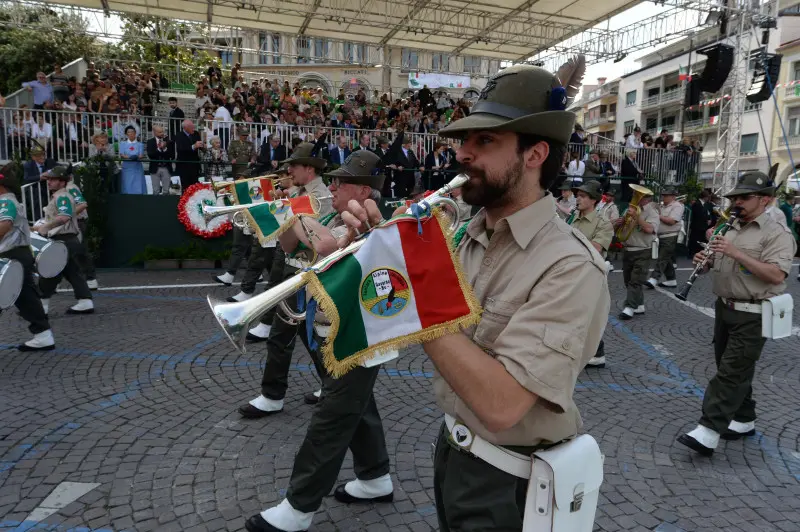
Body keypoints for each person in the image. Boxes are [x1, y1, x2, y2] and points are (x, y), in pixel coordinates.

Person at [332, 64, 610, 531]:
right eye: (465, 141)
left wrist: (412, 285)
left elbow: (502, 406)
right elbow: (393, 326)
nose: (463, 154)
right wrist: (368, 267)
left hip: (511, 483)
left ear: (535, 154)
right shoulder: (469, 232)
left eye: (485, 142)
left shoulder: (571, 264)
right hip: (455, 452)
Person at [244, 151, 394, 532]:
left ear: (363, 189)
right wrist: (283, 215)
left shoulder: (378, 221)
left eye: (341, 183)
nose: (333, 187)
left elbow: (329, 247)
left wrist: (300, 213)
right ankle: (375, 477)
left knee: (333, 416)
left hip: (357, 333)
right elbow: (291, 248)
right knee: (356, 404)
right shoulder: (329, 211)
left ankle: (299, 507)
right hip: (324, 324)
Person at [677, 172, 796, 456]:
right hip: (725, 308)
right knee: (732, 369)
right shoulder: (729, 227)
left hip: (754, 313)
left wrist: (735, 253)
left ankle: (708, 430)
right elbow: (718, 262)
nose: (736, 203)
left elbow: (776, 274)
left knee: (730, 373)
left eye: (744, 198)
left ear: (765, 200)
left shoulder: (777, 233)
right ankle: (744, 419)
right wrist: (703, 264)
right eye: (734, 198)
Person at [238, 142, 334, 419]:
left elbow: (319, 240)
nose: (288, 169)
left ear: (309, 168)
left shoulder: (322, 197)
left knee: (285, 336)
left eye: (294, 165)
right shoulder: (301, 192)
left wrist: (290, 213)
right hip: (292, 267)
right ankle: (328, 384)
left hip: (307, 273)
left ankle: (272, 395)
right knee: (302, 335)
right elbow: (287, 240)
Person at [0, 169, 56, 351]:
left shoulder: (5, 201)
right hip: (19, 253)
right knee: (25, 297)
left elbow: (4, 224)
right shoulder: (10, 201)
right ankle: (43, 335)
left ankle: (43, 335)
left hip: (12, 253)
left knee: (23, 296)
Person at [35, 166, 94, 315]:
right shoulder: (59, 196)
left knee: (49, 272)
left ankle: (42, 306)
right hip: (68, 240)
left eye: (53, 179)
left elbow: (64, 216)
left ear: (62, 182)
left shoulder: (62, 197)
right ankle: (85, 301)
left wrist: (46, 227)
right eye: (48, 179)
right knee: (72, 271)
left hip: (63, 240)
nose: (49, 182)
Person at [570, 180, 614, 368]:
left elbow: (595, 249)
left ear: (594, 200)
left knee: (590, 315)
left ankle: (597, 353)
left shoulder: (602, 223)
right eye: (577, 195)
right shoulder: (573, 218)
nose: (578, 199)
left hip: (590, 274)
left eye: (582, 196)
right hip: (571, 271)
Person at [613, 187, 659, 320]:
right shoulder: (629, 210)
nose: (636, 198)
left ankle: (629, 307)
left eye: (640, 196)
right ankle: (639, 305)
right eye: (634, 194)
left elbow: (650, 229)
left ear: (647, 199)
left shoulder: (652, 212)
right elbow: (621, 230)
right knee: (628, 280)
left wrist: (637, 217)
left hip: (643, 250)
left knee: (636, 280)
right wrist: (619, 223)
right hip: (628, 249)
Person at [66, 174, 98, 290]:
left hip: (77, 222)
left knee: (80, 251)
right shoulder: (63, 190)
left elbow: (82, 204)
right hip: (69, 223)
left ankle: (91, 278)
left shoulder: (70, 188)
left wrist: (66, 215)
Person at [647, 186, 683, 289]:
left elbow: (672, 221)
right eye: (663, 195)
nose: (663, 197)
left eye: (666, 195)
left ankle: (654, 279)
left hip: (670, 236)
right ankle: (671, 280)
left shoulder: (677, 206)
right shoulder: (662, 206)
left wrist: (657, 216)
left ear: (673, 196)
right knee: (667, 259)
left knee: (662, 258)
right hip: (661, 236)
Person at [119, 125, 146, 194]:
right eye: (129, 132)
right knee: (127, 184)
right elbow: (121, 154)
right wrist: (130, 158)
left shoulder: (140, 144)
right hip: (127, 167)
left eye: (132, 132)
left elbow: (141, 155)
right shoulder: (122, 143)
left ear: (135, 133)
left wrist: (136, 157)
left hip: (137, 167)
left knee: (138, 184)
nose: (131, 133)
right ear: (126, 134)